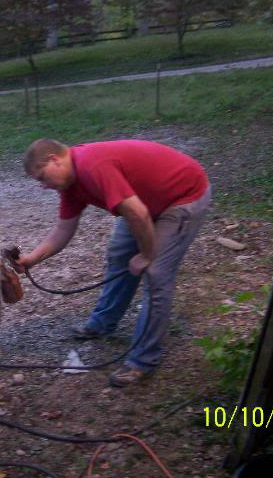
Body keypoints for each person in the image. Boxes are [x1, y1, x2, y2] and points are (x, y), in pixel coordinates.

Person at [14, 138, 211, 387]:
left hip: (183, 196)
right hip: (144, 202)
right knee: (120, 254)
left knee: (156, 274)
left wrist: (147, 255)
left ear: (55, 159)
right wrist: (32, 259)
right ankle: (102, 324)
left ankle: (142, 361)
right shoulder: (70, 183)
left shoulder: (92, 166)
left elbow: (137, 213)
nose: (43, 186)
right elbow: (63, 230)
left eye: (42, 177)